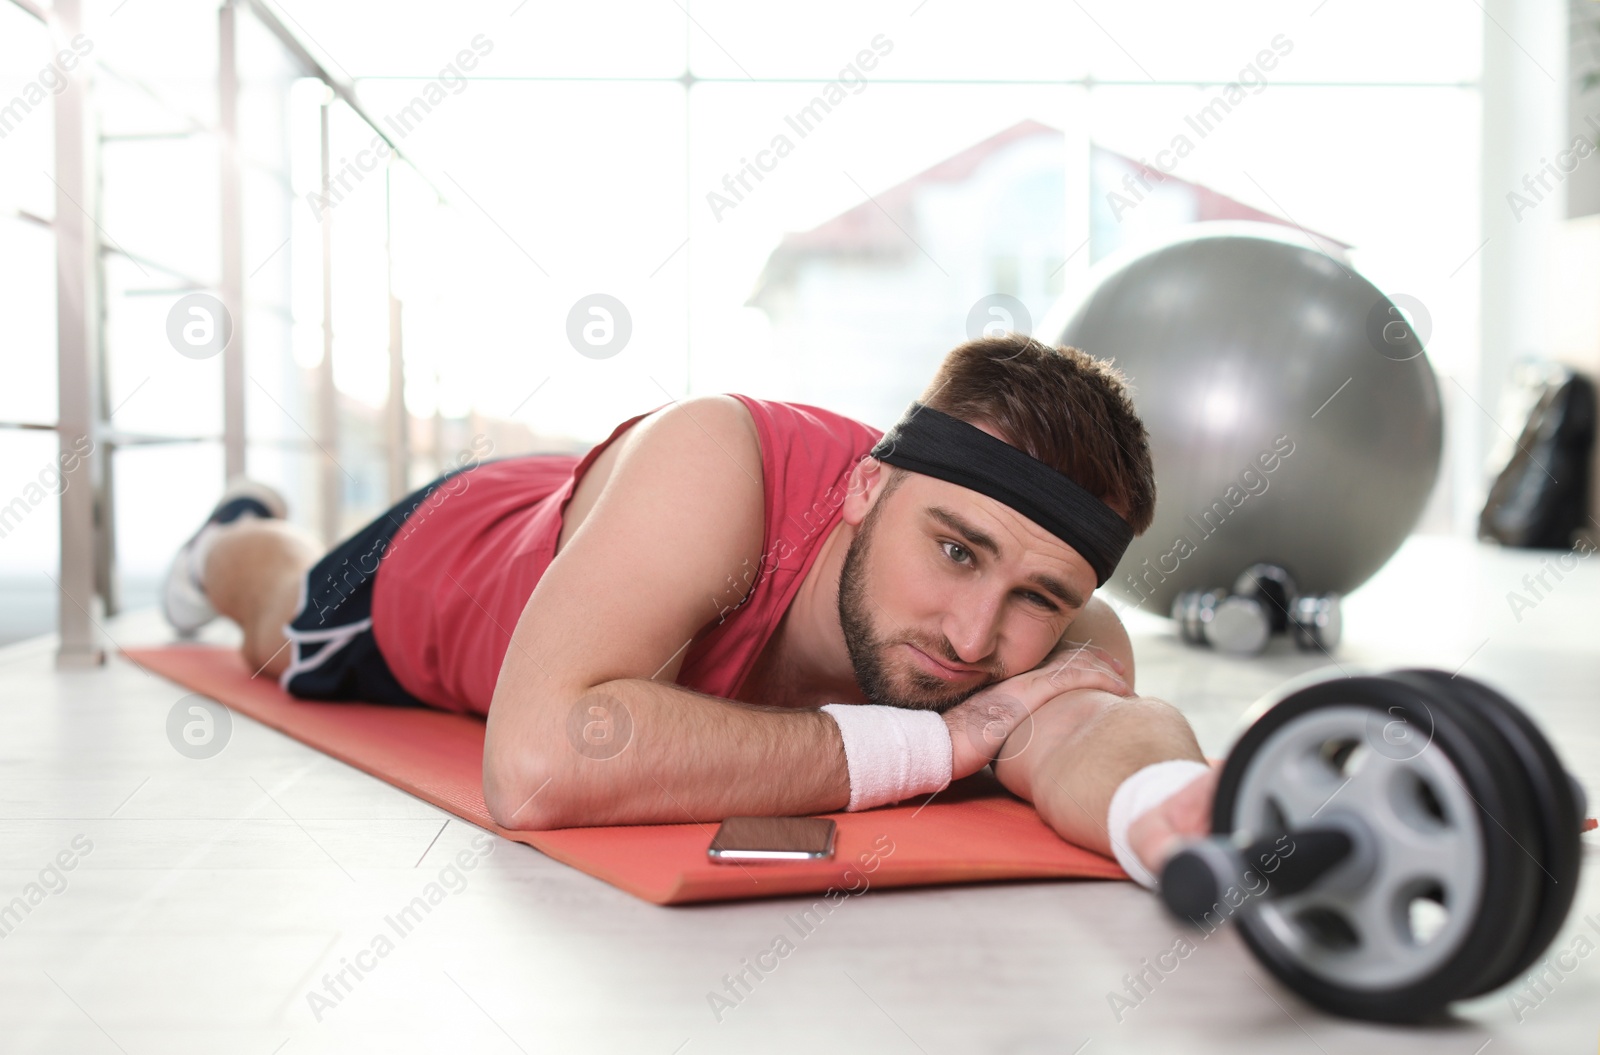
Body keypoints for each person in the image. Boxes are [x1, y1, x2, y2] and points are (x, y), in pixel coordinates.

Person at [162, 334, 1217, 889]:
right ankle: (233, 531)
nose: (973, 636)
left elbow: (1097, 726)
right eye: (952, 550)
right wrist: (937, 743)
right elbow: (536, 767)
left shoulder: (1044, 620)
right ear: (864, 488)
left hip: (614, 520)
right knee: (275, 616)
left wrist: (1177, 809)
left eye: (1038, 597)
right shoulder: (723, 454)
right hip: (449, 556)